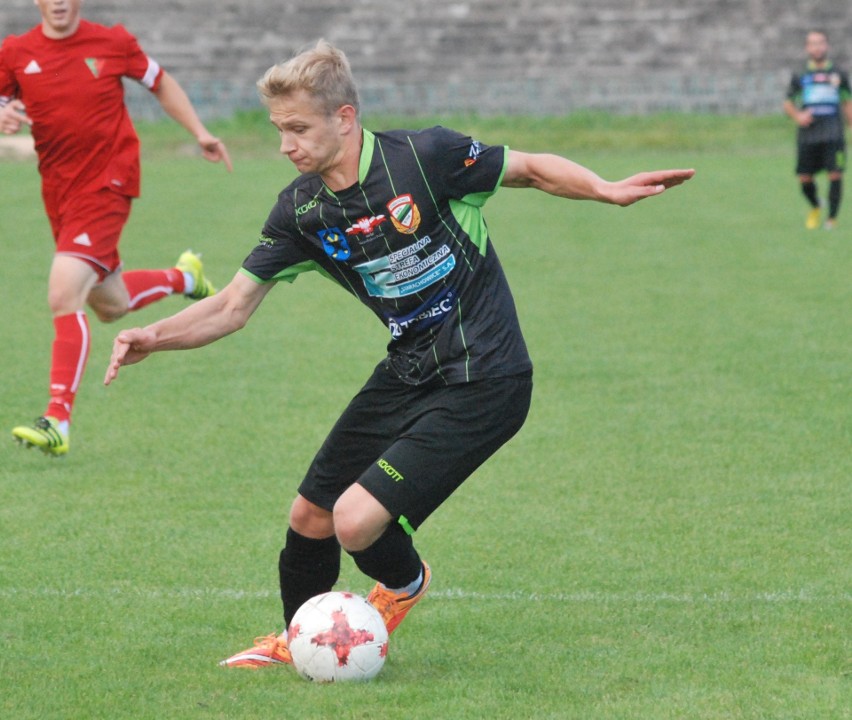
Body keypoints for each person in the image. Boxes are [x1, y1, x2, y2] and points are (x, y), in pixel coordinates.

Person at [104, 40, 694, 669]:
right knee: (310, 516)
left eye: (298, 128)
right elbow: (230, 306)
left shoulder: (425, 156)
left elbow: (531, 169)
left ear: (345, 117)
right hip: (409, 368)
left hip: (486, 377)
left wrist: (605, 189)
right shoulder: (302, 211)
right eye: (280, 131)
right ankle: (303, 639)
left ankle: (404, 584)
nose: (286, 145)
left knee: (355, 522)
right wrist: (153, 336)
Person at [1, 0, 232, 457]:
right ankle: (185, 277)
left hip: (109, 182)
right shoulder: (14, 51)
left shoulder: (112, 43)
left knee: (63, 291)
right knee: (110, 304)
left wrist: (200, 131)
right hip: (60, 192)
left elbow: (159, 81)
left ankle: (57, 419)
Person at [783, 29, 852, 230]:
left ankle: (831, 220)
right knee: (804, 178)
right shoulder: (801, 75)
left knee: (835, 174)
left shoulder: (838, 73)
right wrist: (798, 116)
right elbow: (788, 102)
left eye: (821, 42)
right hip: (808, 133)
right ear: (807, 47)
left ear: (827, 45)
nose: (817, 47)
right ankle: (815, 205)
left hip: (833, 132)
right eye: (813, 43)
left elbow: (847, 101)